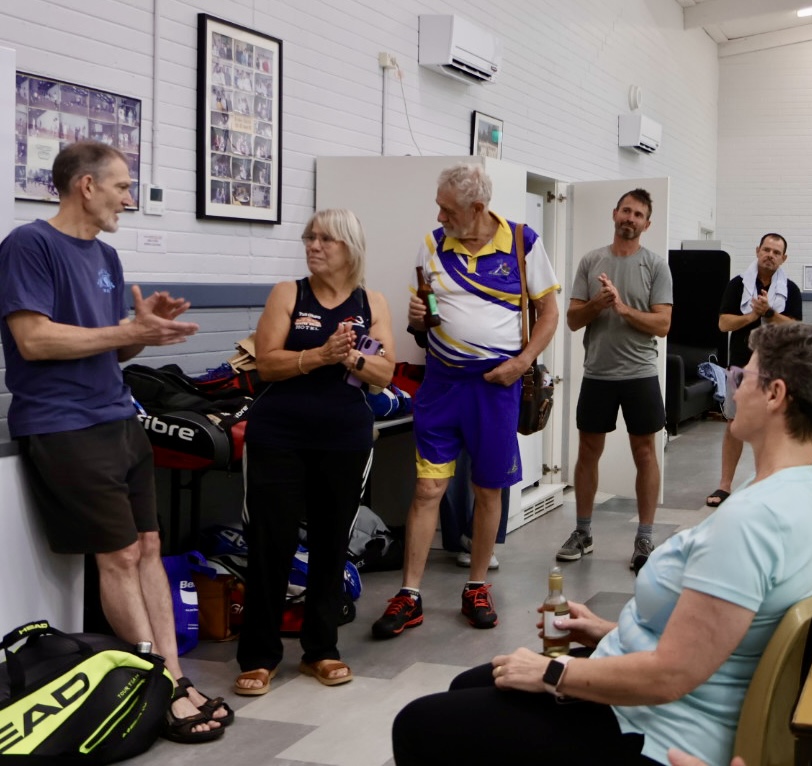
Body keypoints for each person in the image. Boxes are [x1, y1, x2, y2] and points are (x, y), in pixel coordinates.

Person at [391, 322, 812, 766]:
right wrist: (606, 631)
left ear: (775, 395)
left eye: (743, 376)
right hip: (656, 696)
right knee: (467, 685)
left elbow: (671, 675)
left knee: (418, 725)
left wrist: (552, 674)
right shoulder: (803, 488)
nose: (734, 386)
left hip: (655, 727)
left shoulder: (752, 521)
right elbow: (717, 632)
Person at [0, 140, 227, 743]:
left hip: (119, 417)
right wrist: (124, 329)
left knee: (150, 545)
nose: (129, 199)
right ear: (87, 186)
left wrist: (143, 333)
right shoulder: (29, 245)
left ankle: (173, 675)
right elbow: (34, 341)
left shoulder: (105, 255)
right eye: (122, 186)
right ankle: (159, 686)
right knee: (120, 556)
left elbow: (113, 348)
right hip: (64, 424)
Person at [372, 163, 559, 636]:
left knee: (488, 489)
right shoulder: (433, 244)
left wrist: (522, 363)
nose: (439, 216)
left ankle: (476, 586)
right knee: (427, 489)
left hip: (495, 387)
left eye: (447, 208)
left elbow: (549, 313)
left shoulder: (523, 242)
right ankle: (409, 594)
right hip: (441, 386)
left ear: (477, 208)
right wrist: (417, 317)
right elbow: (423, 320)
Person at [233, 209, 394, 695]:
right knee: (271, 543)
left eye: (325, 239)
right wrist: (319, 356)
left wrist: (353, 357)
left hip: (344, 438)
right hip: (278, 435)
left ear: (350, 247)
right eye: (309, 237)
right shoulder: (289, 293)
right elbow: (266, 363)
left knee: (331, 543)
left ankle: (321, 650)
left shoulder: (371, 302)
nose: (313, 246)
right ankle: (258, 656)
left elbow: (384, 372)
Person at [556, 189, 673, 573]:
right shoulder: (592, 261)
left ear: (647, 224)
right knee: (588, 452)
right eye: (626, 211)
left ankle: (644, 537)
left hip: (641, 374)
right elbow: (573, 320)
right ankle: (583, 532)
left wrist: (622, 308)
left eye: (638, 214)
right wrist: (598, 304)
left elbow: (663, 324)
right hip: (598, 374)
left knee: (645, 453)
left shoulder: (655, 265)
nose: (630, 218)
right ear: (614, 213)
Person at [707, 232, 801, 508]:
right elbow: (724, 324)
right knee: (734, 424)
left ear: (784, 258)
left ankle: (770, 483)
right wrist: (752, 315)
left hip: (777, 366)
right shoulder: (738, 284)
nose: (770, 255)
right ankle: (725, 485)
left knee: (776, 425)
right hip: (740, 365)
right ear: (757, 250)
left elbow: (795, 328)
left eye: (776, 252)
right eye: (766, 249)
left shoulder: (790, 289)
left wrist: (769, 313)